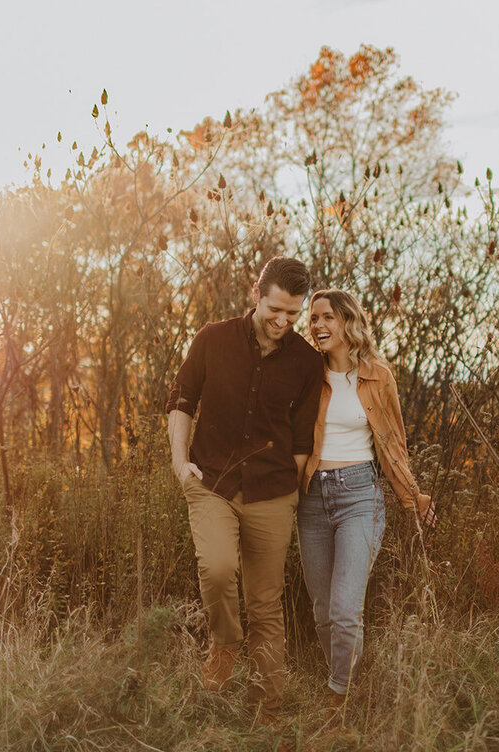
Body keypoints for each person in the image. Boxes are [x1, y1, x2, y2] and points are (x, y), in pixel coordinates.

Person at [166, 256, 323, 723]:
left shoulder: (307, 362)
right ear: (257, 293)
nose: (283, 321)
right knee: (216, 570)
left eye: (294, 313)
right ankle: (225, 644)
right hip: (211, 480)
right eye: (276, 308)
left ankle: (265, 712)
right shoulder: (213, 338)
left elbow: (301, 439)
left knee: (265, 603)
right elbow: (181, 400)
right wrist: (179, 462)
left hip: (273, 493)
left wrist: (290, 492)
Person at [298, 288, 435, 711]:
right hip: (312, 499)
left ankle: (339, 697)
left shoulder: (378, 375)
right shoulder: (306, 374)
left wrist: (414, 498)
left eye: (327, 318)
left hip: (361, 494)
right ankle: (343, 677)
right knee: (323, 611)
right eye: (313, 319)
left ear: (347, 321)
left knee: (344, 609)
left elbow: (395, 443)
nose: (318, 325)